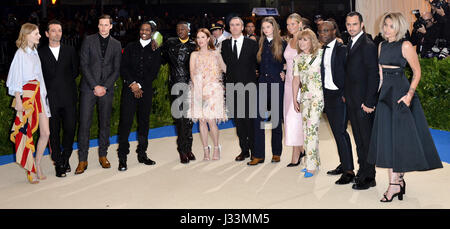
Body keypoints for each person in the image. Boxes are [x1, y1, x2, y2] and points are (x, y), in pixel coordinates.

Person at [368, 12, 443, 202]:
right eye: (385, 25)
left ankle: (394, 184)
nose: (386, 29)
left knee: (398, 140)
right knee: (389, 139)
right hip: (385, 96)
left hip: (401, 96)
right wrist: (375, 98)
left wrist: (409, 95)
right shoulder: (381, 46)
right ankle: (398, 180)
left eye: (391, 26)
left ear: (399, 27)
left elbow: (417, 72)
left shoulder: (406, 45)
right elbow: (381, 76)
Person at [76, 14, 122, 174]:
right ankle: (83, 159)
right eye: (100, 24)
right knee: (84, 124)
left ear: (111, 26)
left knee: (105, 123)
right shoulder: (88, 40)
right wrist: (95, 85)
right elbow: (84, 64)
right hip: (89, 88)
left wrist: (105, 86)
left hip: (107, 90)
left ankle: (103, 155)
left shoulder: (117, 44)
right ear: (98, 26)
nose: (103, 27)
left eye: (106, 25)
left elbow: (117, 69)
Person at [7, 23, 51, 184]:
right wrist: (17, 99)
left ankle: (37, 163)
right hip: (26, 98)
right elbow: (15, 78)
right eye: (36, 34)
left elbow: (40, 78)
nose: (39, 36)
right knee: (26, 133)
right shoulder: (20, 54)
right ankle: (30, 169)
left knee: (45, 132)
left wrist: (44, 97)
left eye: (39, 33)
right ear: (26, 35)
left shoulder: (34, 53)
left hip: (39, 96)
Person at [117, 21, 162, 171]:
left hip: (145, 91)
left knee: (144, 123)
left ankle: (142, 153)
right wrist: (133, 84)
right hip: (129, 90)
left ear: (152, 32)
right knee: (125, 123)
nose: (144, 31)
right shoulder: (130, 47)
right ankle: (122, 157)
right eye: (142, 29)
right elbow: (123, 68)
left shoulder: (156, 49)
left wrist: (140, 85)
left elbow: (154, 72)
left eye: (147, 30)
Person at [38, 20, 79, 178]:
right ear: (47, 34)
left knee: (69, 129)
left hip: (69, 98)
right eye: (53, 31)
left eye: (59, 30)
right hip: (50, 101)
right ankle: (58, 162)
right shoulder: (40, 53)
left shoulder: (70, 50)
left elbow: (75, 71)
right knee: (53, 133)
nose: (57, 33)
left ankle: (66, 157)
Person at [344, 12, 379, 190]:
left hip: (364, 103)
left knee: (366, 140)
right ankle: (362, 171)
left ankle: (369, 177)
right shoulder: (350, 42)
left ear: (362, 25)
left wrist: (370, 102)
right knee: (359, 139)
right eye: (348, 24)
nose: (351, 27)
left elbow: (374, 76)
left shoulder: (368, 45)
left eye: (354, 24)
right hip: (352, 100)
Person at [317, 21, 354, 184]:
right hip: (328, 95)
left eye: (326, 30)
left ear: (334, 31)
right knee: (336, 133)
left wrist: (346, 93)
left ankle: (349, 171)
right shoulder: (322, 50)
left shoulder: (343, 49)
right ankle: (344, 164)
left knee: (341, 132)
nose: (322, 34)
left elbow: (350, 73)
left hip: (340, 96)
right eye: (320, 31)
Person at [221, 16, 258, 162]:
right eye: (232, 25)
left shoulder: (252, 44)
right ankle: (244, 150)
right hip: (232, 88)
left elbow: (258, 63)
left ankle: (255, 150)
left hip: (249, 87)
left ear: (242, 27)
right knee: (239, 121)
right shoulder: (224, 45)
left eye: (237, 24)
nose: (235, 27)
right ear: (229, 28)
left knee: (250, 120)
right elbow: (224, 67)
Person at [250, 17, 286, 166]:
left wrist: (285, 71)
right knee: (258, 119)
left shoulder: (282, 43)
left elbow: (290, 61)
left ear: (274, 28)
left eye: (268, 27)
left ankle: (276, 153)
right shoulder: (260, 43)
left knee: (276, 120)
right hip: (262, 84)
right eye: (263, 28)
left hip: (277, 83)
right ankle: (258, 155)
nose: (265, 30)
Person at [187, 28, 227, 161]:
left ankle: (216, 147)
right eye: (198, 37)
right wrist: (199, 90)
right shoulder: (194, 55)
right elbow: (192, 73)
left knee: (211, 120)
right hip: (198, 89)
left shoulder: (216, 53)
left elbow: (225, 69)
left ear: (208, 39)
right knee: (202, 121)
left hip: (213, 91)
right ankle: (205, 149)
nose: (200, 40)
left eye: (203, 37)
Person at [162, 21, 197, 164]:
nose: (180, 30)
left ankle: (189, 148)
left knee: (189, 119)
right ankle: (182, 150)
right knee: (180, 119)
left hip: (191, 85)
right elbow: (162, 58)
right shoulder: (170, 43)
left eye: (183, 28)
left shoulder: (194, 45)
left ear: (188, 29)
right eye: (178, 29)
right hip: (176, 84)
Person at [292, 29, 324, 178]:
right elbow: (296, 80)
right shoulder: (297, 58)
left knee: (311, 129)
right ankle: (314, 161)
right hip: (304, 98)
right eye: (300, 40)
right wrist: (294, 99)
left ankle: (310, 165)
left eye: (305, 39)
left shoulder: (320, 55)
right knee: (306, 130)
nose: (302, 42)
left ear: (312, 40)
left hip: (318, 97)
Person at [284, 13, 305, 167]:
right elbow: (289, 62)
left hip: (300, 84)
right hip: (288, 84)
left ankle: (298, 152)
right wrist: (283, 69)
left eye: (293, 24)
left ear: (299, 24)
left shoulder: (304, 39)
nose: (290, 27)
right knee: (290, 119)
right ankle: (299, 149)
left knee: (295, 118)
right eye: (288, 24)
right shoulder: (289, 40)